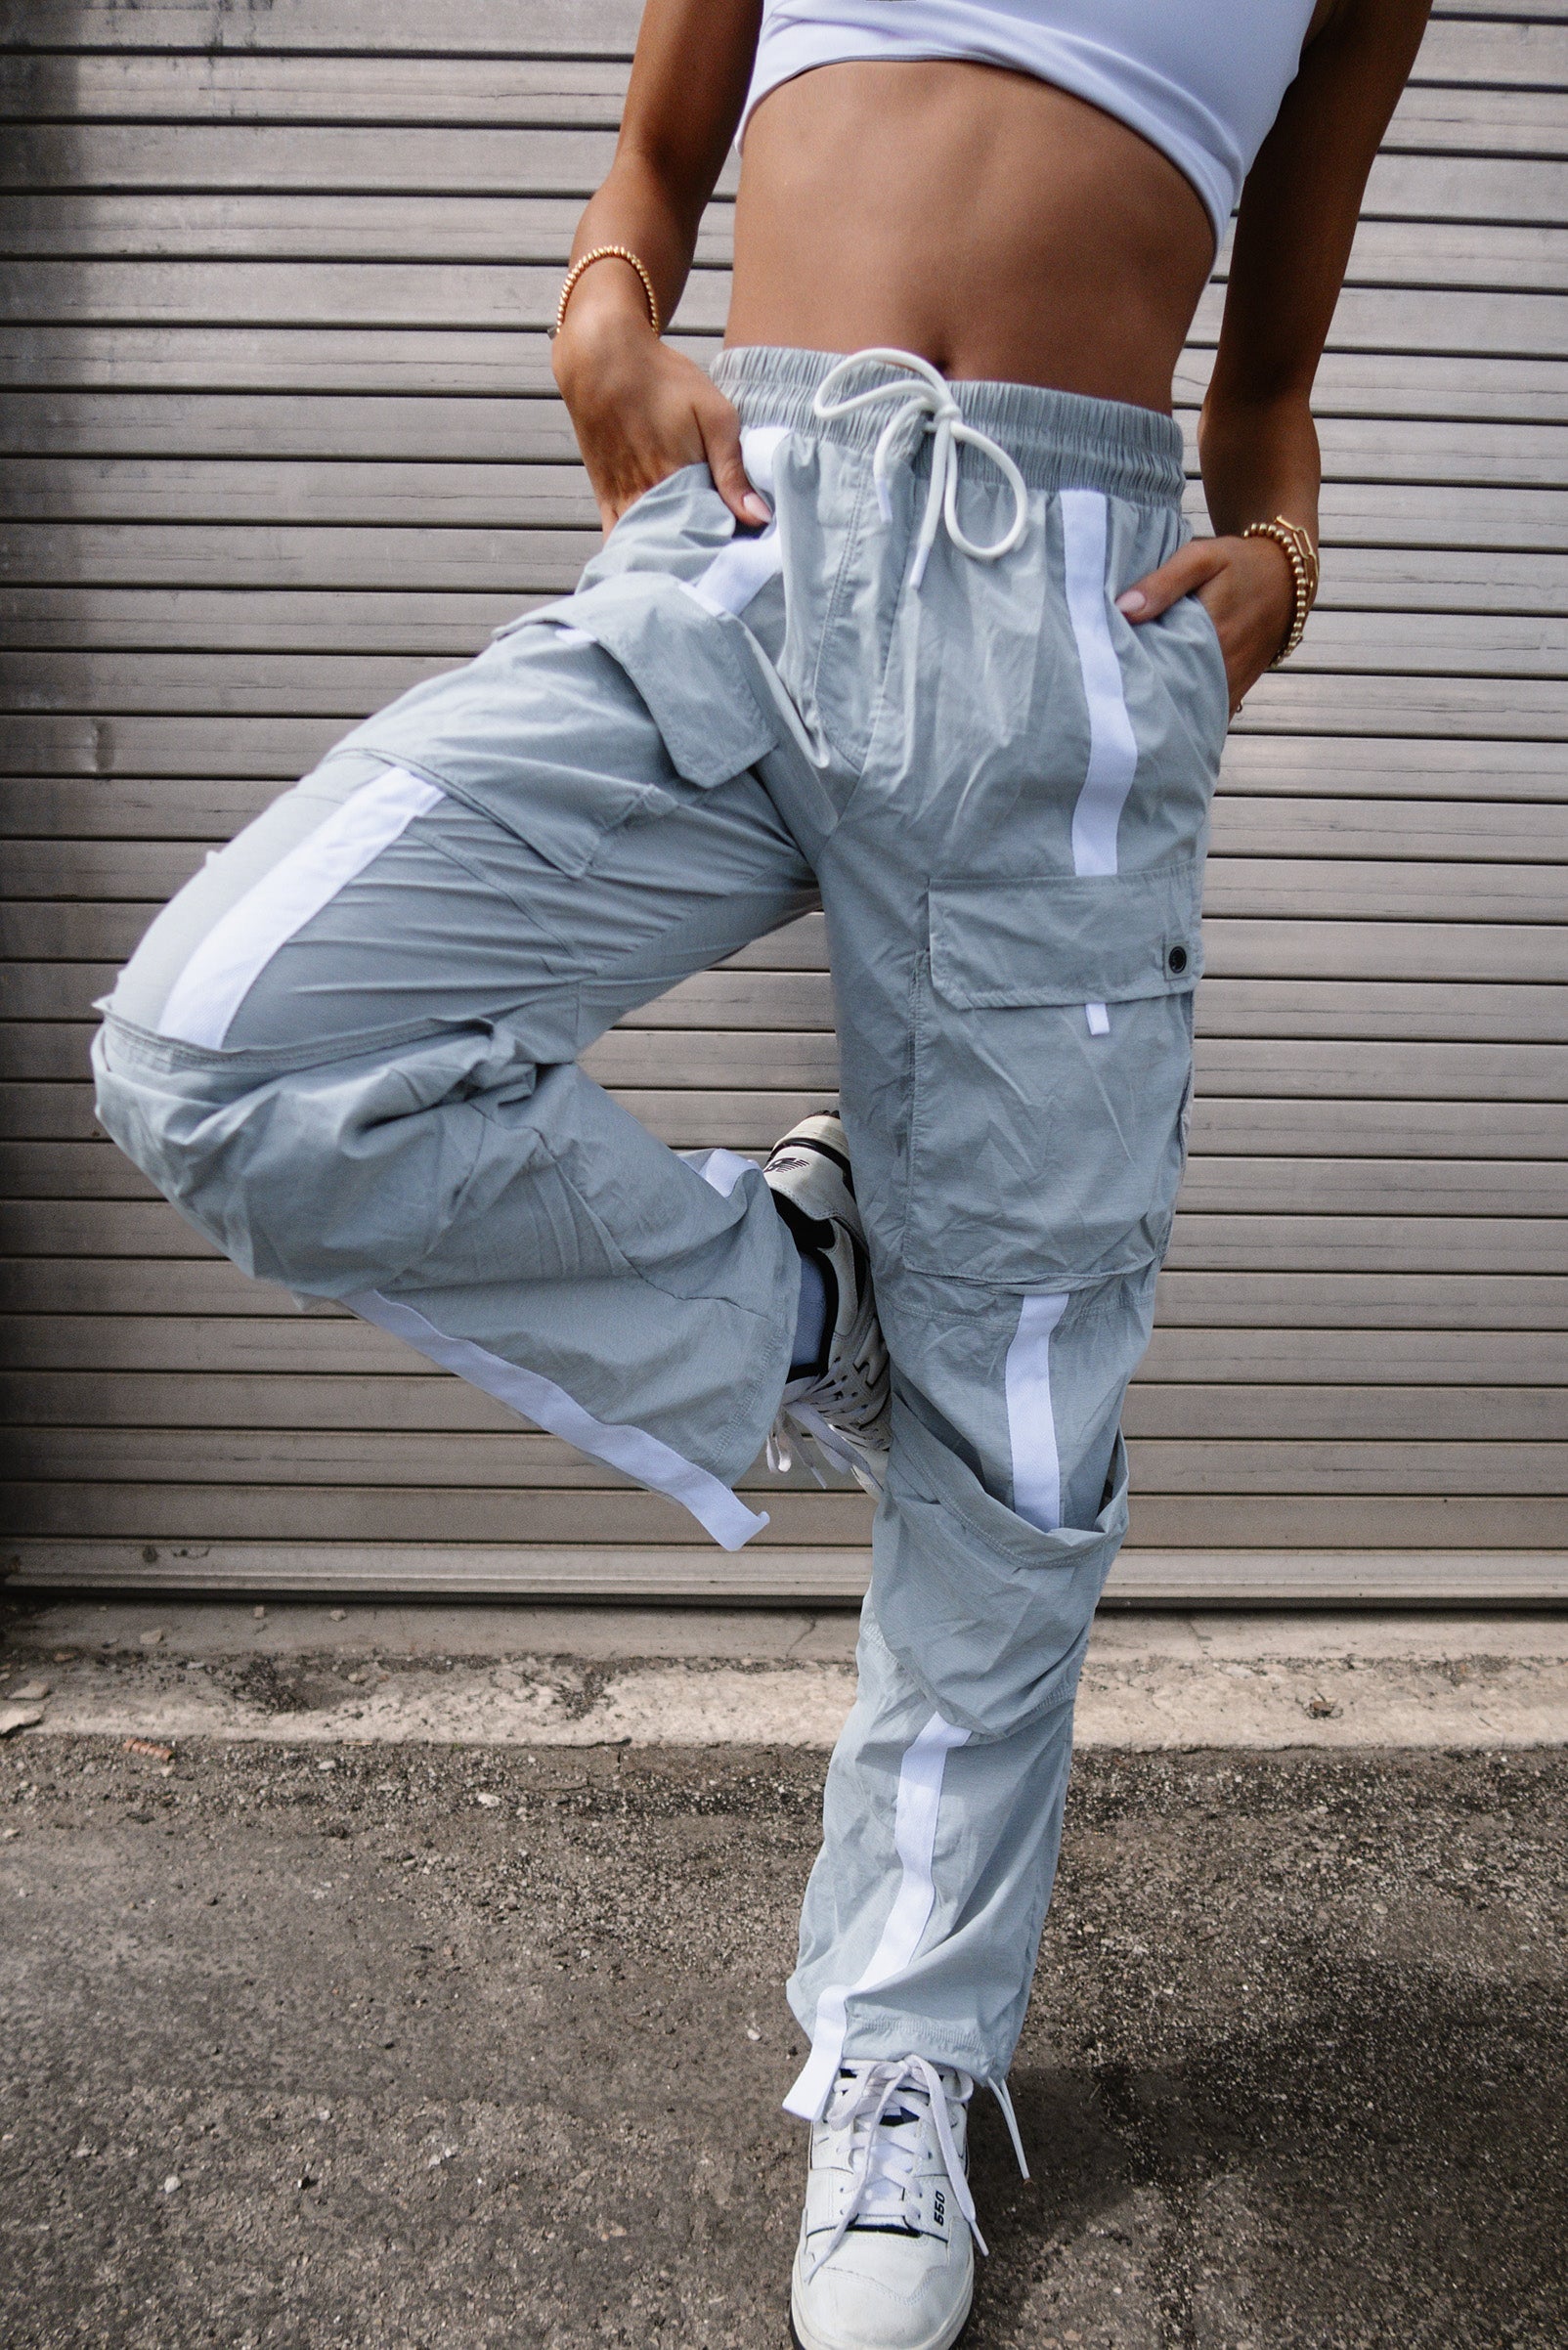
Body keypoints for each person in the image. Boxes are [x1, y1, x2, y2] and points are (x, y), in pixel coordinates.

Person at [91, 1, 1434, 2341]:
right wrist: (600, 310)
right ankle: (796, 1309)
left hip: (1076, 618)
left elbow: (1275, 357)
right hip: (743, 527)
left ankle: (904, 2046)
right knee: (227, 1035)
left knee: (1017, 1435)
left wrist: (1283, 557)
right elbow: (657, 146)